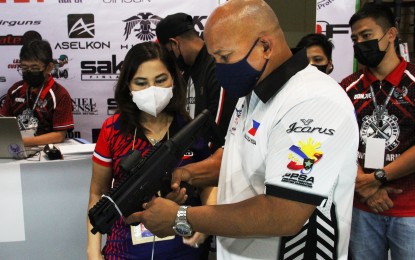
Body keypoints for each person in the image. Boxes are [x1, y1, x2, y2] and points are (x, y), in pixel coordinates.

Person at [125, 1, 359, 259]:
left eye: (225, 57)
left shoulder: (313, 101)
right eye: (214, 58)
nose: (219, 68)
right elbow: (237, 157)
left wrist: (182, 216)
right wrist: (183, 173)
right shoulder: (254, 92)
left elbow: (284, 213)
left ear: (265, 46)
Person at [86, 41, 215, 260]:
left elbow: (209, 183)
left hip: (184, 250)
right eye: (141, 82)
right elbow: (97, 192)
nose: (152, 90)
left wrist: (206, 223)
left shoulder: (190, 129)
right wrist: (93, 251)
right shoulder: (112, 130)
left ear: (174, 78)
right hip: (124, 251)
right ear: (128, 85)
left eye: (160, 80)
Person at [339, 3, 415, 259]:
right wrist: (365, 185)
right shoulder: (348, 87)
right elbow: (336, 141)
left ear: (391, 34)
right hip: (362, 208)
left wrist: (378, 178)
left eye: (367, 36)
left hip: (410, 211)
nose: (360, 43)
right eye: (355, 39)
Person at [156, 12, 237, 142]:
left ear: (174, 43)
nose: (170, 59)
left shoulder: (217, 67)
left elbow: (218, 134)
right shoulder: (185, 72)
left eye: (168, 52)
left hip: (216, 158)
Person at [0, 39, 74, 146]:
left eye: (34, 68)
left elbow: (59, 135)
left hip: (45, 152)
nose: (28, 72)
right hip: (14, 149)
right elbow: (3, 121)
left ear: (49, 67)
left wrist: (21, 142)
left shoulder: (60, 94)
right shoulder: (15, 90)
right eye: (24, 67)